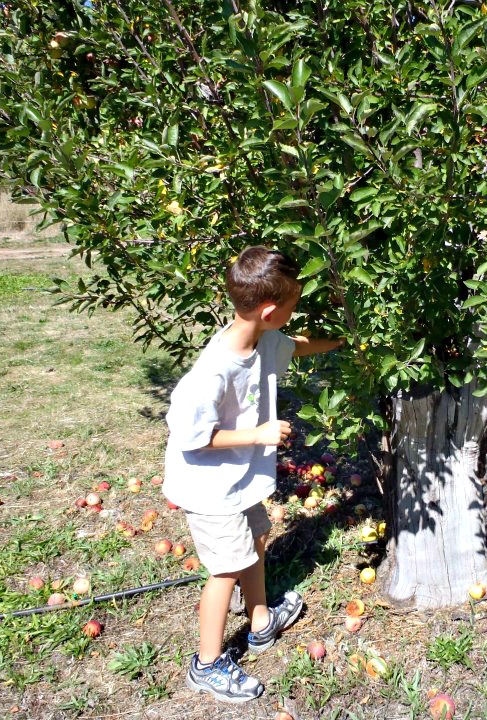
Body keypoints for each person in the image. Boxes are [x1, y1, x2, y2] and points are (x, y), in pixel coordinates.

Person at [162, 246, 342, 703]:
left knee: (256, 543)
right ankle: (206, 664)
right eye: (292, 304)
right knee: (224, 571)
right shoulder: (211, 373)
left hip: (237, 482)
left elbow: (296, 346)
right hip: (209, 488)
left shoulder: (261, 337)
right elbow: (193, 437)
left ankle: (260, 622)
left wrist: (338, 342)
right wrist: (258, 432)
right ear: (269, 310)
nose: (294, 310)